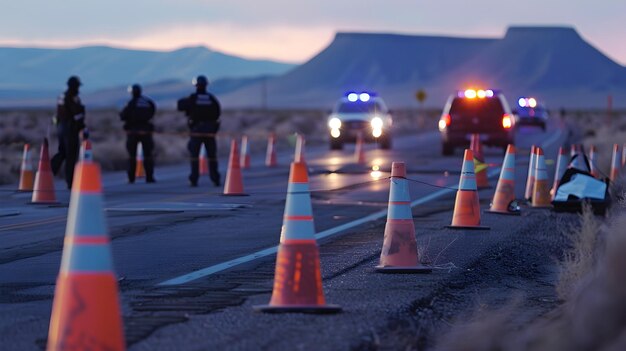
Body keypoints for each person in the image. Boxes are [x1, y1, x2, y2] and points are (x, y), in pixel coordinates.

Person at [177, 75, 221, 187]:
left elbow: (180, 106)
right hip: (210, 131)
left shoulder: (192, 98)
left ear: (195, 85)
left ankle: (194, 179)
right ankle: (215, 179)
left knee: (194, 156)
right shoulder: (211, 98)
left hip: (196, 131)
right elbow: (217, 113)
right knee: (212, 156)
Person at [51, 76, 86, 189]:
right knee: (71, 156)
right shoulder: (72, 97)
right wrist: (82, 127)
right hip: (70, 129)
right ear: (74, 86)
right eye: (78, 86)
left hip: (61, 128)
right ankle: (70, 182)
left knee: (62, 152)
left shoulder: (62, 96)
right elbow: (77, 114)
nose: (78, 88)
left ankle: (48, 171)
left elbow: (58, 113)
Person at [120, 84, 156, 183]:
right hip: (146, 131)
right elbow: (153, 112)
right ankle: (150, 177)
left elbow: (123, 115)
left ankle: (131, 178)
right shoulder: (148, 102)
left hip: (133, 132)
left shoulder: (130, 103)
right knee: (148, 155)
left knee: (132, 156)